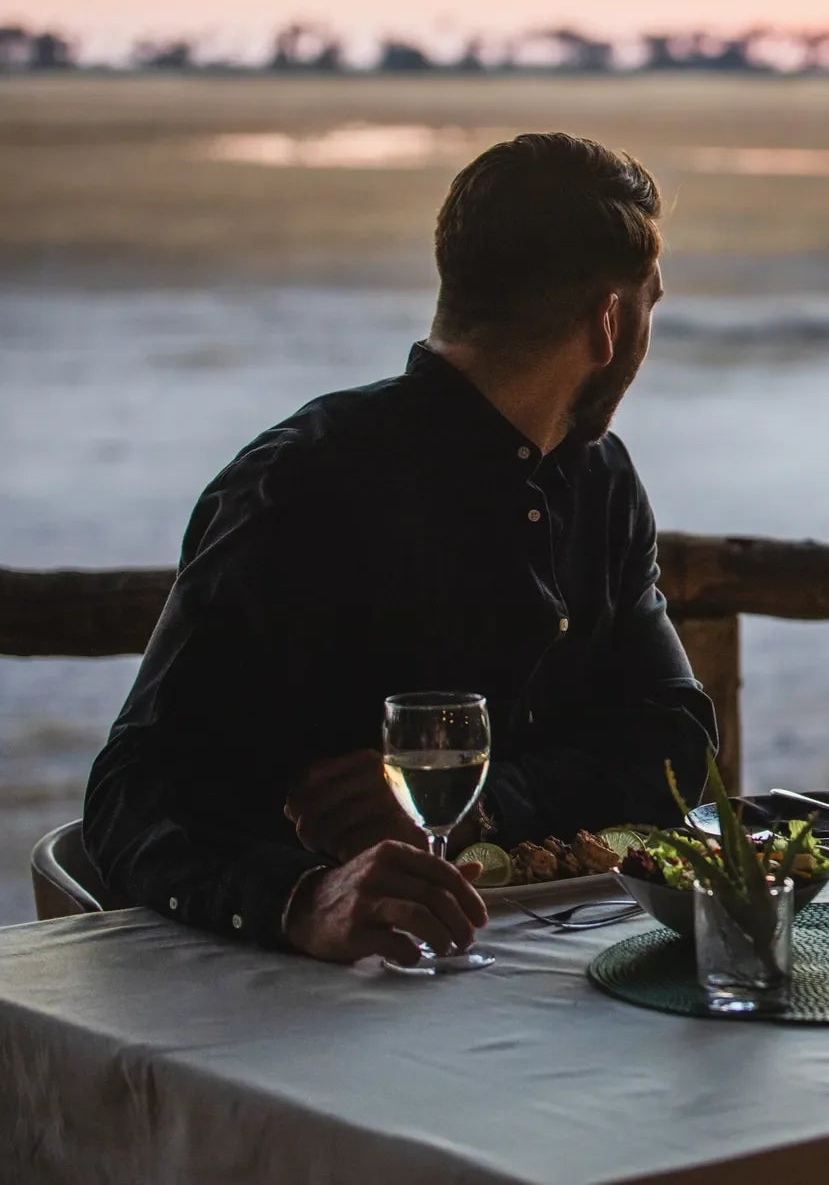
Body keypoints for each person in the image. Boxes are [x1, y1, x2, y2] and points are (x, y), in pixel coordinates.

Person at [84, 133, 717, 964]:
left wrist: (488, 802)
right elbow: (133, 793)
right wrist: (302, 898)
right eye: (650, 305)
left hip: (561, 965)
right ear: (608, 321)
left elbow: (674, 741)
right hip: (313, 999)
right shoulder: (298, 484)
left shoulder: (598, 480)